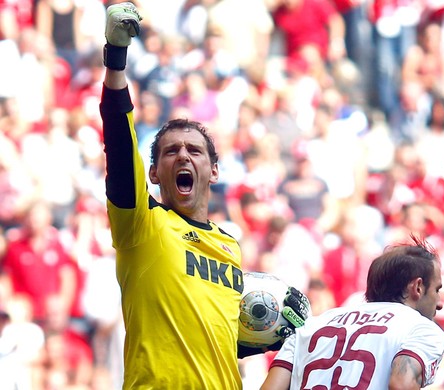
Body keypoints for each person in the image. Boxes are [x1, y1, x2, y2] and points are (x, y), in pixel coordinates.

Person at [98, 3, 309, 388]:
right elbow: (117, 139)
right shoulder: (141, 225)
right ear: (153, 173)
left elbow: (220, 339)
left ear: (213, 171)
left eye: (194, 151)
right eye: (170, 151)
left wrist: (276, 331)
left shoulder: (231, 246)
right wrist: (116, 59)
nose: (182, 155)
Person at [260, 234, 444, 390]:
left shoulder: (310, 326)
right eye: (437, 290)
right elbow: (401, 385)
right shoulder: (422, 329)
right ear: (418, 287)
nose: (439, 304)